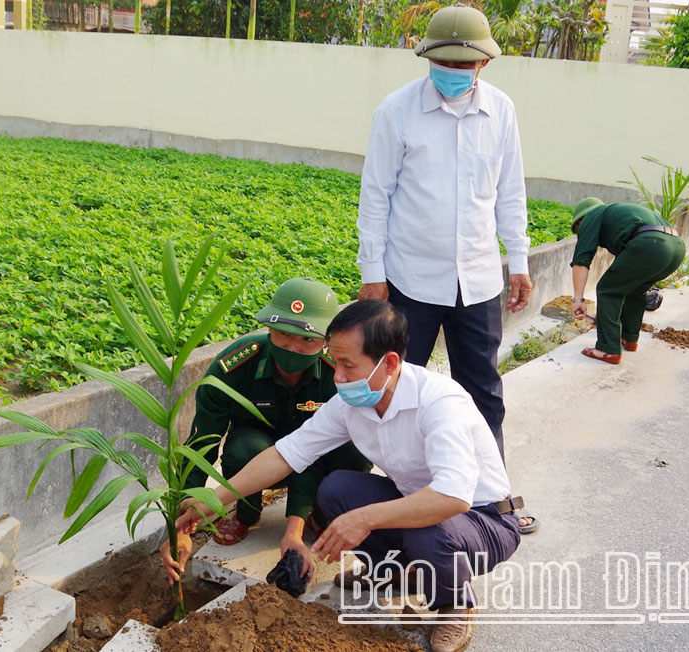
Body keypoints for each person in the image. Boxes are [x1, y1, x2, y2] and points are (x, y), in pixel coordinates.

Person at [165, 301, 521, 652]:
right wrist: (211, 502)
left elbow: (452, 497)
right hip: (421, 505)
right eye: (335, 364)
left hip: (483, 519)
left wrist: (365, 518)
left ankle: (456, 603)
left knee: (428, 528)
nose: (338, 378)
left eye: (349, 366)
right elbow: (285, 454)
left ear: (390, 362)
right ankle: (395, 569)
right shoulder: (352, 402)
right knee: (336, 490)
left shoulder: (439, 402)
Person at [355, 4, 536, 534]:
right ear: (427, 57)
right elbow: (376, 196)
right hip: (409, 278)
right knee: (388, 389)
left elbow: (511, 193)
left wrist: (518, 260)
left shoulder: (501, 111)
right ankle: (388, 501)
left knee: (482, 391)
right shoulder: (396, 111)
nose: (454, 73)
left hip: (477, 280)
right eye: (445, 63)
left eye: (465, 65)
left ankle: (493, 505)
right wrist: (373, 272)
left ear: (484, 64)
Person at [161, 278, 370, 573]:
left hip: (317, 458)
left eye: (307, 339)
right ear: (268, 328)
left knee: (356, 448)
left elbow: (311, 450)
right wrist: (182, 521)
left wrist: (293, 530)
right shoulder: (233, 368)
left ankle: (319, 512)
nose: (293, 347)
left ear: (327, 340)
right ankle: (247, 513)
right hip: (257, 458)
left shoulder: (336, 376)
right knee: (241, 447)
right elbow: (202, 442)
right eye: (283, 334)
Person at [569, 198, 686, 364]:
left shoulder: (592, 216)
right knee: (634, 289)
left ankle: (607, 349)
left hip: (651, 244)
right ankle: (629, 339)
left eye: (578, 229)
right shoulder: (619, 215)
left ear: (581, 220)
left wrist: (578, 299)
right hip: (676, 247)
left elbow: (581, 261)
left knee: (607, 289)